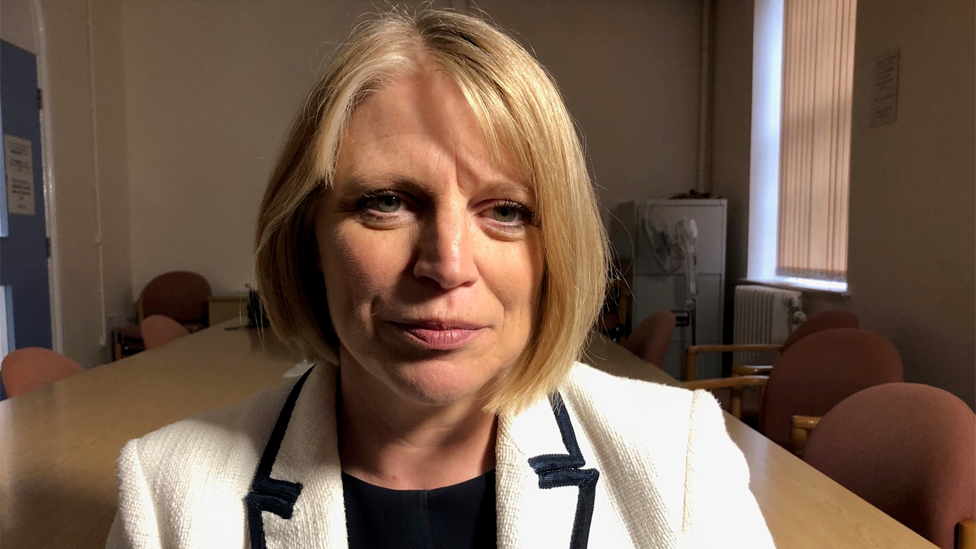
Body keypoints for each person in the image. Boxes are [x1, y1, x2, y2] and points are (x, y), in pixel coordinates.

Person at [106, 8, 774, 549]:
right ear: (310, 234)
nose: (448, 264)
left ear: (554, 249)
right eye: (386, 201)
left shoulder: (678, 460)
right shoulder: (168, 495)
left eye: (506, 210)